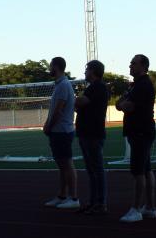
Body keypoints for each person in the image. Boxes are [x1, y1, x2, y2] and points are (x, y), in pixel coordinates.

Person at [116, 54, 156, 223]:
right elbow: (119, 104)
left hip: (141, 132)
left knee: (138, 172)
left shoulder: (143, 85)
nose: (130, 65)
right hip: (141, 132)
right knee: (146, 170)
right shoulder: (135, 85)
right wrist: (123, 105)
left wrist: (124, 105)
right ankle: (150, 207)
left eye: (133, 63)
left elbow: (128, 105)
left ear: (143, 66)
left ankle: (136, 209)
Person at [43, 56, 79, 209]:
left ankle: (74, 198)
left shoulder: (63, 85)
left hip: (62, 131)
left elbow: (59, 110)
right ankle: (62, 195)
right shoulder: (60, 85)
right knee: (63, 165)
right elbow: (55, 110)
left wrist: (49, 126)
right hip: (59, 131)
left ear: (56, 67)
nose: (49, 69)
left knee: (67, 164)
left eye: (51, 66)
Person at [75, 60, 109, 215]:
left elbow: (80, 102)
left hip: (92, 134)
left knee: (96, 170)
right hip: (87, 133)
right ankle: (94, 202)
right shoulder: (94, 88)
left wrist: (74, 99)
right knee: (92, 170)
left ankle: (99, 203)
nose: (84, 72)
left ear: (93, 71)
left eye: (87, 69)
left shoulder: (98, 87)